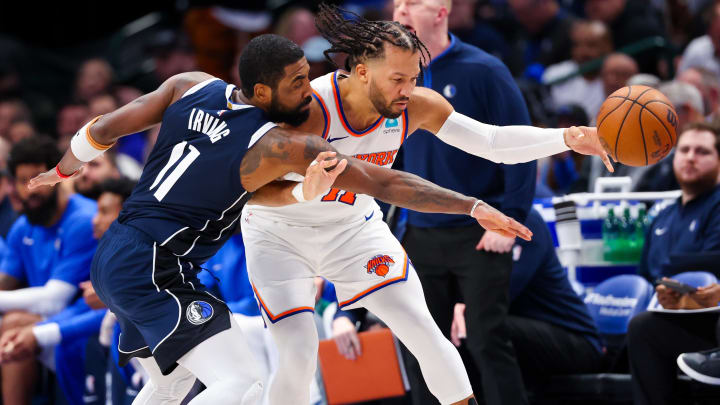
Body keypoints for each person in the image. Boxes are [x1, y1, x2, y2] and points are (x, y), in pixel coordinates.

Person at [29, 34, 534, 405]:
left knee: (170, 384)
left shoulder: (192, 86)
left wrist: (61, 168)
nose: (310, 92)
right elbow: (385, 184)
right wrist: (469, 204)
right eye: (297, 84)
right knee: (242, 382)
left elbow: (111, 125)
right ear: (264, 94)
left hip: (119, 254)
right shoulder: (277, 145)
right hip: (157, 267)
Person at [242, 6, 612, 405]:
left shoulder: (415, 106)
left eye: (414, 78)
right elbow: (248, 184)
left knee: (423, 329)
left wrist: (569, 138)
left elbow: (492, 143)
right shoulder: (308, 112)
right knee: (298, 355)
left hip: (351, 228)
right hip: (279, 233)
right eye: (397, 79)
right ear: (362, 72)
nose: (407, 90)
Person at [450, 210, 603, 395]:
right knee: (454, 325)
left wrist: (464, 307)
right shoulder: (463, 224)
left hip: (575, 341)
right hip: (525, 330)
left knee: (482, 323)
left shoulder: (524, 219)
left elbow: (501, 293)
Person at [0, 136, 97, 404]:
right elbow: (4, 286)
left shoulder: (84, 220)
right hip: (47, 323)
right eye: (22, 181)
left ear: (60, 176)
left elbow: (54, 301)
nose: (30, 189)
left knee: (13, 323)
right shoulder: (25, 225)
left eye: (37, 178)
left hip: (84, 324)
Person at [636, 121, 720, 283]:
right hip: (655, 304)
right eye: (684, 150)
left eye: (702, 152)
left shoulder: (716, 208)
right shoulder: (662, 215)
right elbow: (643, 278)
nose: (690, 157)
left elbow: (709, 273)